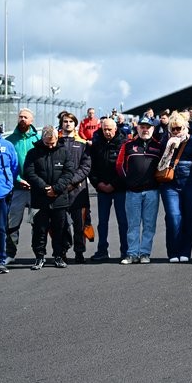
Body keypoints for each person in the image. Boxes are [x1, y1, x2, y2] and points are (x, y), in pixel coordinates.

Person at [25, 126, 75, 269]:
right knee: (39, 230)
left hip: (59, 198)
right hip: (39, 199)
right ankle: (39, 257)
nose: (51, 145)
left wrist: (56, 189)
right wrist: (45, 188)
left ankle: (58, 256)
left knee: (59, 229)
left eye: (53, 142)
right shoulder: (33, 153)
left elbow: (69, 172)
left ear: (57, 138)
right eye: (47, 143)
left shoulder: (64, 152)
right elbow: (29, 172)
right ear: (42, 139)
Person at [116, 116, 162, 264]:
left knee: (149, 225)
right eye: (142, 127)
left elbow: (163, 166)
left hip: (152, 191)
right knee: (133, 224)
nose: (145, 129)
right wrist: (127, 182)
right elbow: (119, 165)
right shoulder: (128, 145)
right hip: (132, 192)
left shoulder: (158, 146)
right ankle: (132, 253)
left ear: (153, 129)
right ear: (137, 128)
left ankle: (145, 253)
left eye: (148, 127)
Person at [158, 112, 192, 262]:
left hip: (190, 183)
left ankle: (185, 252)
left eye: (178, 128)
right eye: (173, 129)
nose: (176, 131)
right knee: (173, 217)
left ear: (185, 127)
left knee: (189, 218)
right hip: (169, 184)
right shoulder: (164, 141)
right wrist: (169, 149)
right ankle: (173, 252)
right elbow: (159, 164)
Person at [88, 118, 128, 261]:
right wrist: (98, 184)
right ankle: (102, 250)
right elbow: (90, 167)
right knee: (102, 222)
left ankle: (125, 250)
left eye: (110, 129)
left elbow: (126, 167)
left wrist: (114, 184)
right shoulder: (96, 145)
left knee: (123, 221)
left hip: (119, 189)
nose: (107, 132)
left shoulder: (124, 144)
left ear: (115, 129)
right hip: (102, 189)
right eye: (104, 129)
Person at [5, 108, 41, 263]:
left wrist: (37, 181)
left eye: (25, 117)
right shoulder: (11, 140)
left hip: (36, 188)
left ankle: (38, 254)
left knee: (37, 222)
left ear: (31, 120)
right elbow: (9, 165)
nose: (22, 119)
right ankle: (10, 254)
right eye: (20, 117)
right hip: (18, 188)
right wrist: (18, 179)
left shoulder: (39, 139)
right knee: (12, 223)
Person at [57, 112, 92, 264]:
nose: (68, 124)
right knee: (61, 224)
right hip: (61, 190)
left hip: (78, 191)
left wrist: (73, 181)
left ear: (75, 124)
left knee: (80, 224)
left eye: (71, 121)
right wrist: (63, 184)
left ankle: (79, 252)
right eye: (65, 121)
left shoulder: (83, 144)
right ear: (61, 124)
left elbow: (86, 166)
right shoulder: (55, 143)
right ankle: (63, 251)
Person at [0, 122, 18, 274]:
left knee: (1, 228)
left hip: (2, 192)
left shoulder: (7, 145)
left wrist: (9, 185)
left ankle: (0, 260)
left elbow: (14, 166)